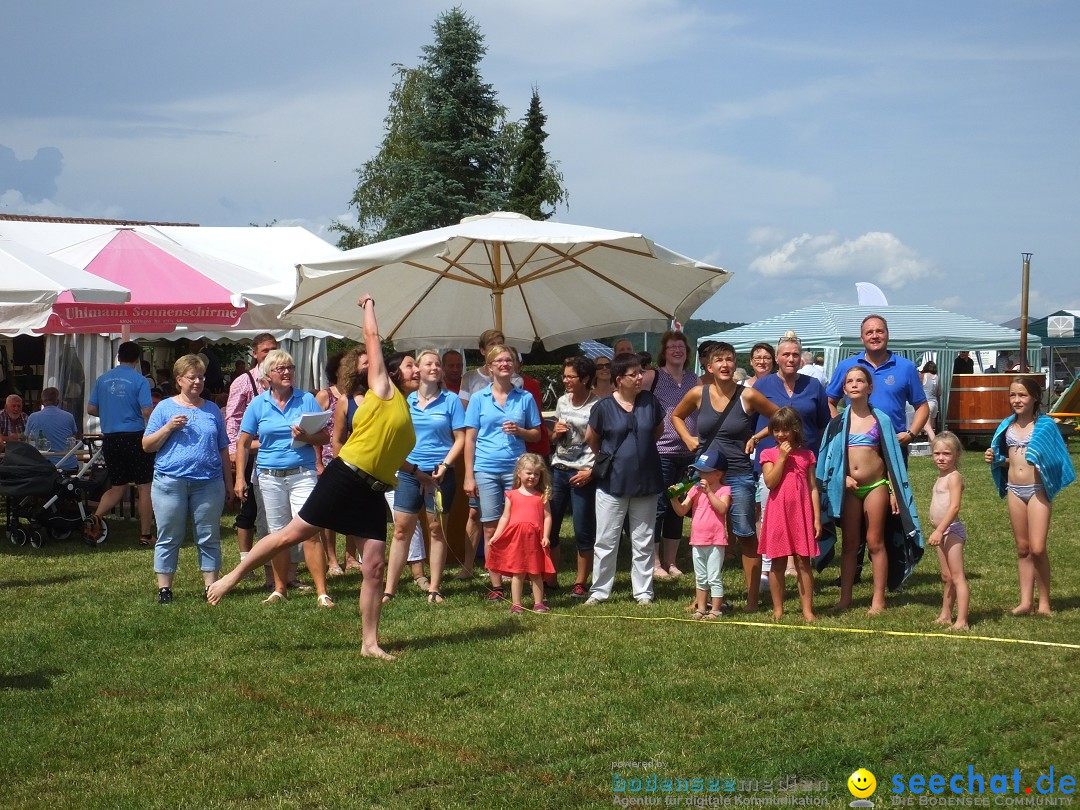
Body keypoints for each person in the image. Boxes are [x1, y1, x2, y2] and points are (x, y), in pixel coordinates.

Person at [208, 295, 416, 661]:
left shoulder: (405, 409)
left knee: (374, 566)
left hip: (373, 489)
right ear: (393, 372)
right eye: (415, 365)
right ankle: (234, 576)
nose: (420, 369)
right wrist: (368, 304)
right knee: (292, 534)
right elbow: (372, 336)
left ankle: (370, 643)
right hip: (346, 477)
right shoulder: (384, 390)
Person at [670, 342, 777, 612]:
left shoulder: (748, 395)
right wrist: (687, 438)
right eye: (719, 360)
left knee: (745, 534)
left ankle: (752, 600)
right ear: (709, 367)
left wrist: (756, 437)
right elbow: (676, 416)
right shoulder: (698, 393)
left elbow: (780, 417)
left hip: (739, 474)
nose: (725, 365)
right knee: (703, 536)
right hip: (706, 476)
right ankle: (701, 600)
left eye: (729, 359)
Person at [817, 366, 920, 615]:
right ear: (843, 390)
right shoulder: (838, 423)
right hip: (849, 488)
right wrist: (842, 479)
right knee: (850, 543)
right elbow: (829, 460)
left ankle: (878, 600)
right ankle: (845, 598)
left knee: (876, 541)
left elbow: (891, 460)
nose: (854, 384)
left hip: (876, 487)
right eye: (849, 381)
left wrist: (894, 491)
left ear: (869, 387)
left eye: (860, 381)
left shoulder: (880, 420)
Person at [235, 349, 331, 605]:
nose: (287, 372)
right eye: (281, 369)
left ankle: (322, 592)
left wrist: (306, 437)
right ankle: (280, 589)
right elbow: (243, 443)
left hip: (302, 473)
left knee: (310, 531)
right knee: (277, 534)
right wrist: (239, 478)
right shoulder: (258, 404)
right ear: (268, 375)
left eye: (290, 367)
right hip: (269, 476)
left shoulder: (306, 400)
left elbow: (325, 437)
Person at [142, 355, 233, 604]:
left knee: (208, 534)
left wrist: (229, 482)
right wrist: (168, 427)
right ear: (179, 379)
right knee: (169, 534)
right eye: (192, 377)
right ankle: (165, 589)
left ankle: (211, 587)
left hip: (208, 482)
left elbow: (223, 447)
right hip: (170, 482)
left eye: (201, 377)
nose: (198, 381)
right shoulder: (165, 408)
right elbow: (147, 445)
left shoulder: (212, 408)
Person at [984, 377, 1075, 616]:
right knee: (1022, 548)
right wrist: (996, 459)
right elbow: (1009, 459)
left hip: (1037, 491)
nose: (1016, 400)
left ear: (1035, 397)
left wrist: (1040, 457)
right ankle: (1026, 602)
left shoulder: (1045, 426)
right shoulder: (1007, 425)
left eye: (1022, 395)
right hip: (1015, 489)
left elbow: (1058, 457)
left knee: (1037, 548)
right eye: (1013, 395)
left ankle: (1044, 602)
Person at [583, 352, 664, 606]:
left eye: (641, 372)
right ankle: (599, 591)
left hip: (647, 481)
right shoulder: (603, 407)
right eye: (634, 374)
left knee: (643, 539)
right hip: (612, 483)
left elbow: (657, 431)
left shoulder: (650, 401)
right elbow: (591, 438)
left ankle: (643, 592)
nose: (641, 377)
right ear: (619, 379)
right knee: (606, 539)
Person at [463, 345, 542, 601]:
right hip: (485, 468)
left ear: (515, 366)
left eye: (509, 360)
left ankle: (521, 575)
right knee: (490, 527)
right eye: (499, 361)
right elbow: (470, 439)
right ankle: (496, 584)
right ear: (490, 367)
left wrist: (520, 431)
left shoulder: (525, 397)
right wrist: (468, 475)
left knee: (521, 526)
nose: (505, 364)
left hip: (516, 470)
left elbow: (537, 434)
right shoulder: (478, 399)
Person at [386, 349, 464, 604]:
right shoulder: (404, 401)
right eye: (428, 363)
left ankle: (435, 587)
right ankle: (389, 589)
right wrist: (414, 471)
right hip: (409, 472)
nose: (434, 367)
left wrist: (445, 465)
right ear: (418, 369)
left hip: (439, 474)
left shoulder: (451, 401)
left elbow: (460, 439)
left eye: (437, 364)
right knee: (401, 530)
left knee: (436, 529)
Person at [753, 332, 830, 586]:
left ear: (801, 359)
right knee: (769, 513)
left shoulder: (813, 386)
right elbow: (752, 422)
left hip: (804, 461)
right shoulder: (762, 386)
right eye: (785, 354)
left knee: (801, 511)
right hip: (771, 459)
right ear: (776, 358)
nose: (791, 358)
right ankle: (769, 568)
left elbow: (822, 425)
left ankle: (795, 563)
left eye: (795, 354)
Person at [826, 315, 928, 455]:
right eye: (869, 332)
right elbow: (829, 401)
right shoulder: (846, 366)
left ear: (887, 335)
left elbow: (922, 406)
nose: (874, 336)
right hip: (855, 444)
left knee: (894, 478)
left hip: (893, 444)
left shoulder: (906, 367)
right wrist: (840, 428)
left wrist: (911, 434)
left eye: (879, 331)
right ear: (862, 338)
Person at [642, 330, 699, 580]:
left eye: (681, 347)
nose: (677, 351)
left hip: (687, 454)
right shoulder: (653, 377)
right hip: (660, 452)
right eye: (672, 347)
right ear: (663, 352)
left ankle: (671, 562)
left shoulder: (694, 379)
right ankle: (654, 563)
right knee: (658, 507)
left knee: (678, 508)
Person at [87, 341, 155, 546]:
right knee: (144, 487)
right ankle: (145, 535)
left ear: (118, 356)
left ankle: (96, 517)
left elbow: (91, 409)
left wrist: (109, 412)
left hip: (110, 439)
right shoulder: (139, 380)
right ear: (137, 359)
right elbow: (146, 412)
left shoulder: (102, 380)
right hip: (134, 436)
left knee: (118, 485)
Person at [224, 333, 279, 583]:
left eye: (274, 349)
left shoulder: (281, 379)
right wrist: (236, 452)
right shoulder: (244, 382)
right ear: (255, 354)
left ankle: (275, 563)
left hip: (273, 452)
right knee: (249, 508)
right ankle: (246, 561)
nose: (269, 354)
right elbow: (232, 417)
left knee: (270, 510)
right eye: (265, 350)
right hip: (250, 450)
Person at [758, 407, 821, 622]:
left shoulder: (807, 455)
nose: (780, 434)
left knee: (803, 561)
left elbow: (813, 488)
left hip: (801, 513)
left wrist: (816, 518)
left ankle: (807, 610)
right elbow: (770, 481)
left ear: (795, 429)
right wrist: (782, 458)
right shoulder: (768, 454)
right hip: (778, 513)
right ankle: (778, 608)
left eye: (785, 429)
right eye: (776, 430)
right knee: (777, 563)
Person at [550, 355, 599, 597]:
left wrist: (591, 472)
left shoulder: (598, 405)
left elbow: (605, 445)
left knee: (582, 530)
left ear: (586, 378)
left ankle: (581, 582)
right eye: (564, 376)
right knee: (551, 528)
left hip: (583, 474)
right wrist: (555, 432)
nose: (565, 380)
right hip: (558, 470)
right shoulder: (562, 401)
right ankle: (550, 578)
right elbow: (555, 439)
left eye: (571, 376)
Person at [485, 453, 555, 614]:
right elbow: (505, 517)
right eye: (529, 473)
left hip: (534, 540)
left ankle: (538, 603)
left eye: (536, 474)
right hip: (517, 540)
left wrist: (545, 536)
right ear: (519, 472)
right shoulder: (512, 495)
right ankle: (516, 604)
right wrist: (496, 535)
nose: (532, 477)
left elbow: (547, 517)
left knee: (536, 572)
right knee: (518, 573)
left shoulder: (541, 496)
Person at [668, 446, 731, 621]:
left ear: (718, 474)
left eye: (704, 472)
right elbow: (681, 511)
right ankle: (701, 608)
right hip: (697, 540)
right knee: (701, 576)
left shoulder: (724, 491)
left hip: (715, 541)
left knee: (714, 576)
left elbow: (722, 508)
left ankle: (716, 610)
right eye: (699, 471)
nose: (700, 475)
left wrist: (709, 492)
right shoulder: (695, 489)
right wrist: (674, 498)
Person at [332, 345, 369, 571]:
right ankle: (357, 558)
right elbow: (337, 439)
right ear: (353, 369)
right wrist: (340, 469)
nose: (370, 367)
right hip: (354, 467)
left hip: (381, 467)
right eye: (365, 363)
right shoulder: (346, 401)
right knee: (356, 514)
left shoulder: (383, 396)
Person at [928, 432, 968, 630]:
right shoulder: (941, 476)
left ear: (957, 455)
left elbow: (954, 507)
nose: (941, 458)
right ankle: (945, 614)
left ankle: (962, 620)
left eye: (946, 453)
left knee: (958, 576)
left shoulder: (954, 477)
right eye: (937, 453)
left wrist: (939, 531)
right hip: (941, 531)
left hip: (951, 531)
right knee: (947, 577)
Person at [314, 352, 345, 576]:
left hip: (353, 457)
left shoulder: (360, 394)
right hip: (327, 458)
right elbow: (313, 429)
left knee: (354, 508)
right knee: (328, 512)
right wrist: (318, 462)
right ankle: (332, 559)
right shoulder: (325, 396)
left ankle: (351, 557)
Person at [24, 388, 79, 471]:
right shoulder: (69, 416)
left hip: (42, 465)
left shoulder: (33, 417)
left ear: (42, 402)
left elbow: (26, 437)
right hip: (67, 464)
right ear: (58, 401)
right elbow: (74, 434)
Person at [920, 361, 940, 443]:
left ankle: (936, 444)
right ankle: (930, 445)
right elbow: (939, 393)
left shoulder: (924, 376)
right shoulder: (937, 377)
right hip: (935, 403)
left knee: (927, 427)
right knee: (931, 426)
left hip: (927, 403)